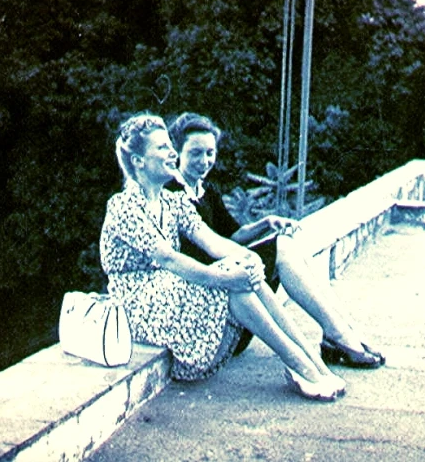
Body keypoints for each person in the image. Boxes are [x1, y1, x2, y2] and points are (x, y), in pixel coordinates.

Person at [99, 112, 346, 401]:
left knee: (240, 269)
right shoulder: (123, 206)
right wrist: (227, 275)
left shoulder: (172, 200)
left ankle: (310, 363)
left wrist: (247, 260)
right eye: (162, 148)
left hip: (168, 290)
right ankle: (300, 365)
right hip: (137, 302)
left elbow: (214, 242)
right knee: (230, 281)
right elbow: (168, 259)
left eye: (170, 146)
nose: (170, 153)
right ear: (139, 161)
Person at [167, 112, 385, 369]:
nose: (204, 161)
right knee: (282, 247)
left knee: (287, 244)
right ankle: (337, 335)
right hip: (211, 306)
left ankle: (340, 329)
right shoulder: (171, 192)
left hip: (233, 291)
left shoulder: (206, 190)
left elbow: (233, 235)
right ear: (176, 152)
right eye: (195, 153)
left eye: (210, 153)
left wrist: (267, 222)